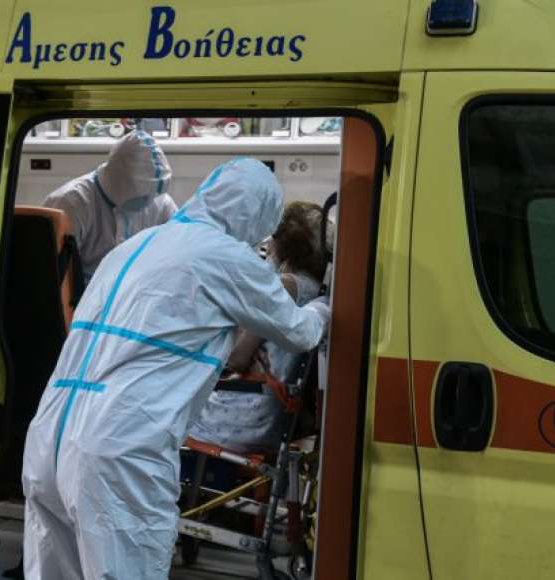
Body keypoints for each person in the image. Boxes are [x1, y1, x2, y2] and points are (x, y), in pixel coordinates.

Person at [22, 158, 330, 580]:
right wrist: (326, 304)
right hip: (119, 448)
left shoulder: (135, 246)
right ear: (256, 215)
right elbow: (300, 332)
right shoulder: (226, 258)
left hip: (48, 440)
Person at [188, 201, 327, 453]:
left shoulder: (283, 287)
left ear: (283, 245)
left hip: (242, 419)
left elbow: (237, 359)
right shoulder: (319, 292)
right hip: (276, 418)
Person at [42, 129, 177, 282]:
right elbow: (51, 276)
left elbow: (177, 253)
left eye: (153, 195)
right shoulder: (71, 204)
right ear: (119, 181)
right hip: (84, 293)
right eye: (142, 194)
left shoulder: (161, 204)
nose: (148, 202)